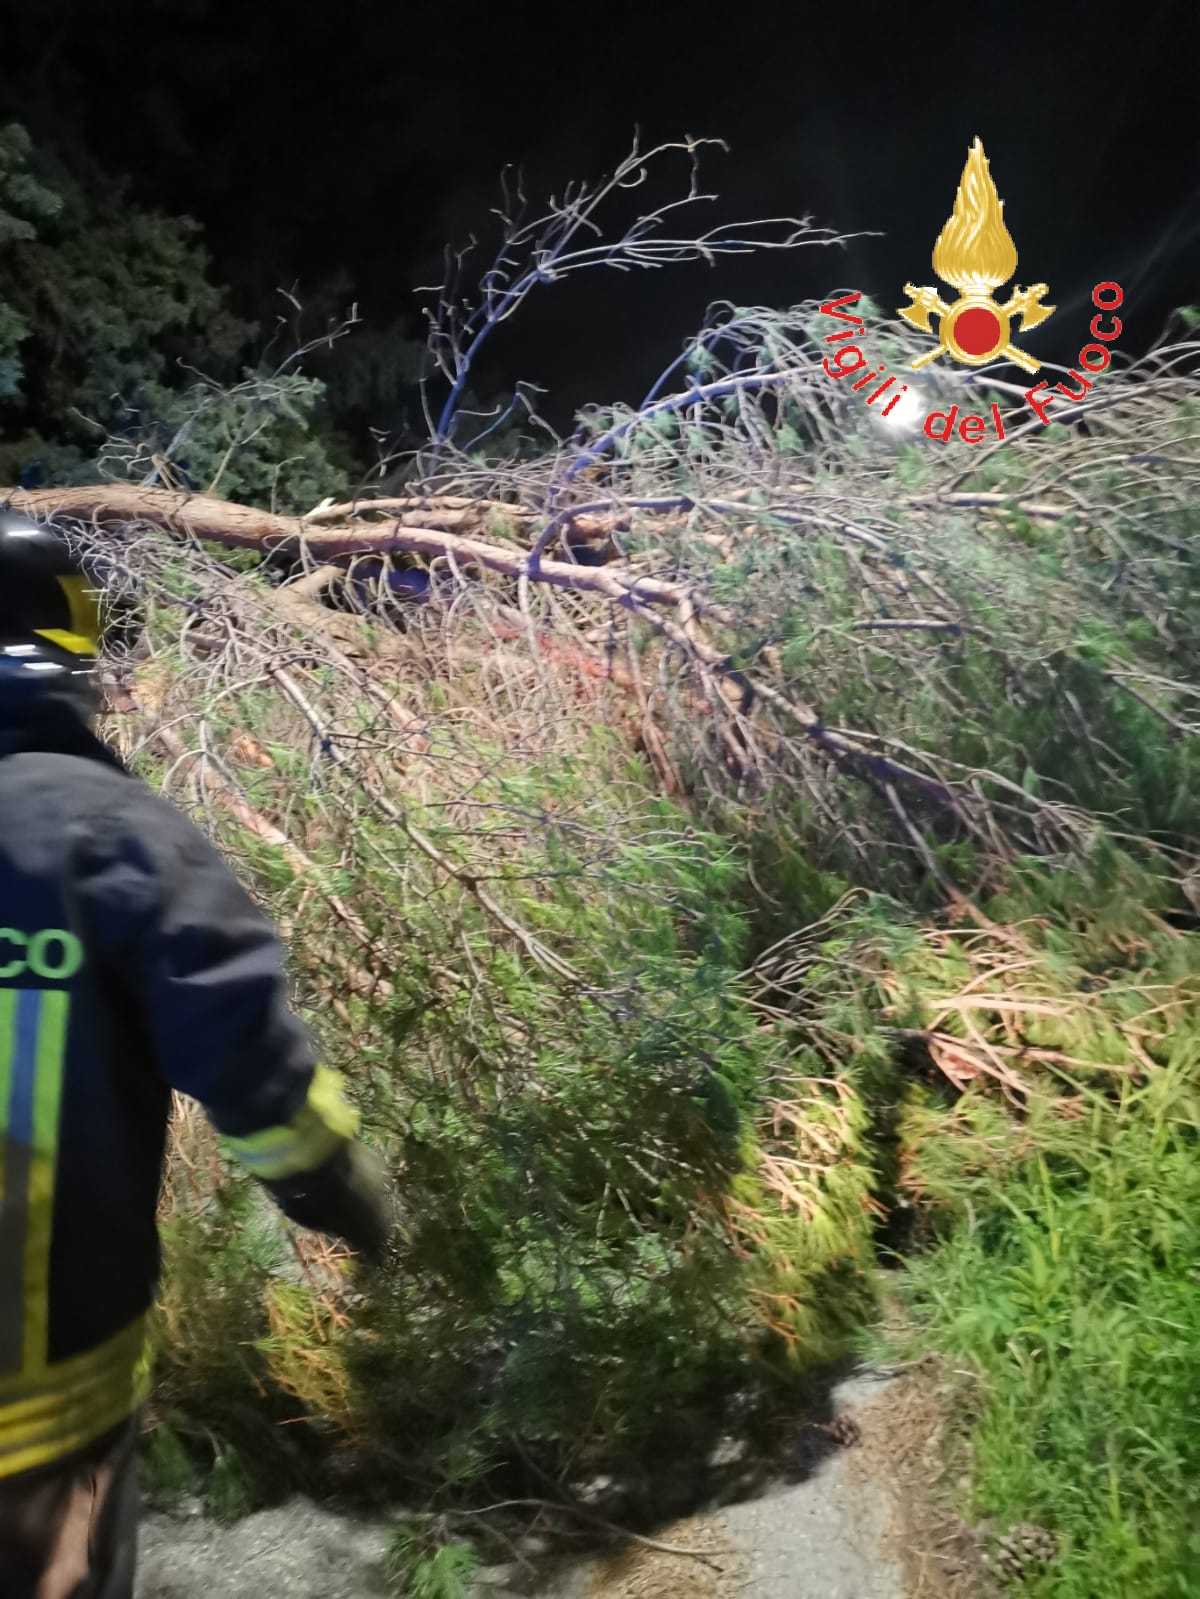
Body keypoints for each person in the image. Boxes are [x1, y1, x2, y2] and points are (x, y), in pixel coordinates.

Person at [0, 503, 392, 1598]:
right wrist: (348, 1198)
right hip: (35, 1392)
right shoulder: (109, 835)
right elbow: (254, 1073)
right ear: (70, 646)